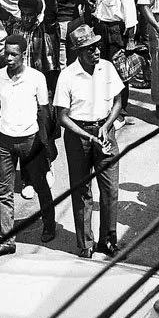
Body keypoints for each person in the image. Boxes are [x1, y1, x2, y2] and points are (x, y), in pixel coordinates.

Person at [55, 25, 124, 258]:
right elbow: (62, 116)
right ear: (78, 52)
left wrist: (105, 127)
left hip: (105, 132)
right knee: (82, 191)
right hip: (78, 136)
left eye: (97, 46)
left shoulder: (107, 68)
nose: (96, 52)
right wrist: (87, 136)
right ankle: (85, 244)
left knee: (110, 189)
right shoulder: (67, 76)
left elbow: (117, 102)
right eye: (90, 49)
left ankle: (108, 240)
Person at [0, 34, 57, 254]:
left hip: (31, 141)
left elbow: (45, 112)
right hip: (5, 142)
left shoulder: (37, 78)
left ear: (23, 55)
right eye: (6, 53)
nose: (8, 58)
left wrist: (46, 144)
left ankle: (49, 224)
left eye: (13, 54)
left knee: (41, 186)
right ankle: (6, 240)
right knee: (4, 191)